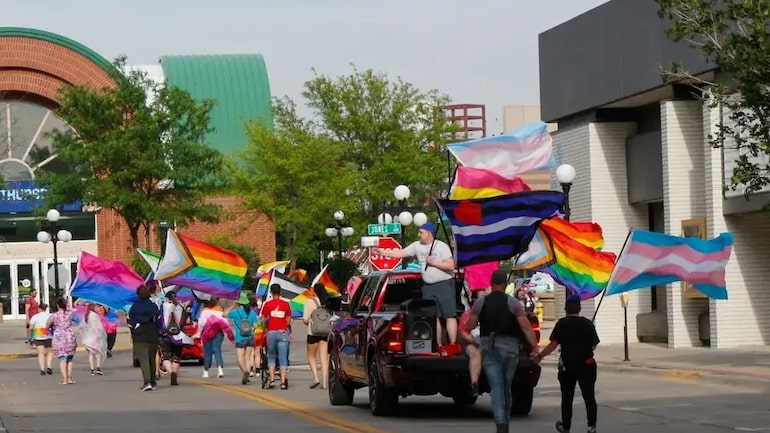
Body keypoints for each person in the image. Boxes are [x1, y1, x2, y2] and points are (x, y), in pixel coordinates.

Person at [465, 270, 539, 433]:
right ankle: (505, 419)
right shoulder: (513, 303)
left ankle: (501, 425)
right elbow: (526, 328)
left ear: (491, 284)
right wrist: (535, 348)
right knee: (506, 386)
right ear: (505, 286)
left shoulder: (481, 302)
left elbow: (469, 326)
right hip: (510, 350)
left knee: (497, 387)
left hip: (489, 349)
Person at [373, 222, 458, 345]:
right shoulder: (416, 246)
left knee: (449, 315)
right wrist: (382, 252)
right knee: (433, 317)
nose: (418, 235)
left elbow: (451, 266)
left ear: (429, 234)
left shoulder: (442, 246)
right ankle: (437, 345)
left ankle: (453, 344)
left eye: (421, 232)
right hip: (428, 286)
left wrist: (434, 263)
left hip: (444, 284)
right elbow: (401, 253)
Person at [536, 295, 600, 433]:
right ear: (579, 308)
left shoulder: (562, 324)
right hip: (586, 365)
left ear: (566, 308)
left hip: (567, 366)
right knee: (589, 396)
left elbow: (553, 345)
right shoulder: (587, 324)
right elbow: (594, 345)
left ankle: (566, 426)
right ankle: (591, 425)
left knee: (567, 397)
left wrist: (540, 356)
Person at [128, 284, 161, 391]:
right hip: (152, 335)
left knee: (144, 359)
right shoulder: (153, 306)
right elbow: (158, 319)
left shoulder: (135, 306)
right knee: (151, 359)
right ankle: (153, 381)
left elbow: (131, 319)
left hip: (140, 336)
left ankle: (147, 382)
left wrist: (136, 325)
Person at [261, 283, 292, 390]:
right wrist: (283, 325)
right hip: (282, 332)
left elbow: (264, 320)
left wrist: (266, 327)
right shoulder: (285, 304)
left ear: (271, 292)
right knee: (283, 358)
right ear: (280, 292)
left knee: (271, 357)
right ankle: (283, 382)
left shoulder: (267, 305)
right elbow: (288, 320)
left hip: (271, 332)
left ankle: (272, 380)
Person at [303, 282, 333, 389]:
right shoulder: (328, 302)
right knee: (324, 358)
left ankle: (316, 377)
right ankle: (324, 382)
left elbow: (305, 320)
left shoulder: (310, 302)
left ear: (314, 291)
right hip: (325, 332)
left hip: (313, 332)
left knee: (311, 356)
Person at [160, 291, 191, 386]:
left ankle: (171, 372)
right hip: (178, 336)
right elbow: (187, 321)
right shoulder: (181, 307)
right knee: (176, 358)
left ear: (167, 298)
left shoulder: (162, 307)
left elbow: (158, 320)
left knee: (166, 357)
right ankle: (175, 373)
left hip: (165, 335)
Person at [227, 292, 258, 385]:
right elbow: (256, 325)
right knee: (248, 357)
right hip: (250, 336)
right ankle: (247, 373)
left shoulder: (235, 312)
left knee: (240, 357)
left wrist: (232, 306)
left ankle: (245, 371)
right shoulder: (252, 313)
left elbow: (224, 314)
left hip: (240, 337)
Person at [194, 298, 227, 378]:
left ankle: (206, 371)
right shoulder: (220, 310)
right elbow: (225, 322)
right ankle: (220, 369)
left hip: (207, 332)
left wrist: (198, 334)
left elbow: (202, 324)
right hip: (218, 332)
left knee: (207, 352)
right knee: (217, 350)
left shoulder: (204, 311)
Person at [47, 297, 78, 385]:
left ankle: (64, 379)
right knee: (70, 359)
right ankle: (70, 378)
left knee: (62, 359)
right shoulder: (70, 314)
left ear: (57, 305)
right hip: (69, 336)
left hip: (59, 337)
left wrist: (52, 326)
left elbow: (47, 325)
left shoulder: (54, 315)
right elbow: (76, 310)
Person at [80, 303, 107, 376]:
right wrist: (103, 334)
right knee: (98, 353)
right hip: (95, 337)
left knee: (90, 354)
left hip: (87, 338)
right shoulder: (95, 316)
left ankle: (92, 369)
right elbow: (99, 327)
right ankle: (98, 368)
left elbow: (82, 326)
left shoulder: (85, 316)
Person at [28, 303, 53, 375]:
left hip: (38, 335)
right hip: (48, 334)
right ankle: (49, 367)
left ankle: (42, 369)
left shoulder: (35, 316)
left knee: (41, 353)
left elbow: (31, 328)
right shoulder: (50, 315)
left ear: (39, 309)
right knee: (50, 352)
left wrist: (31, 337)